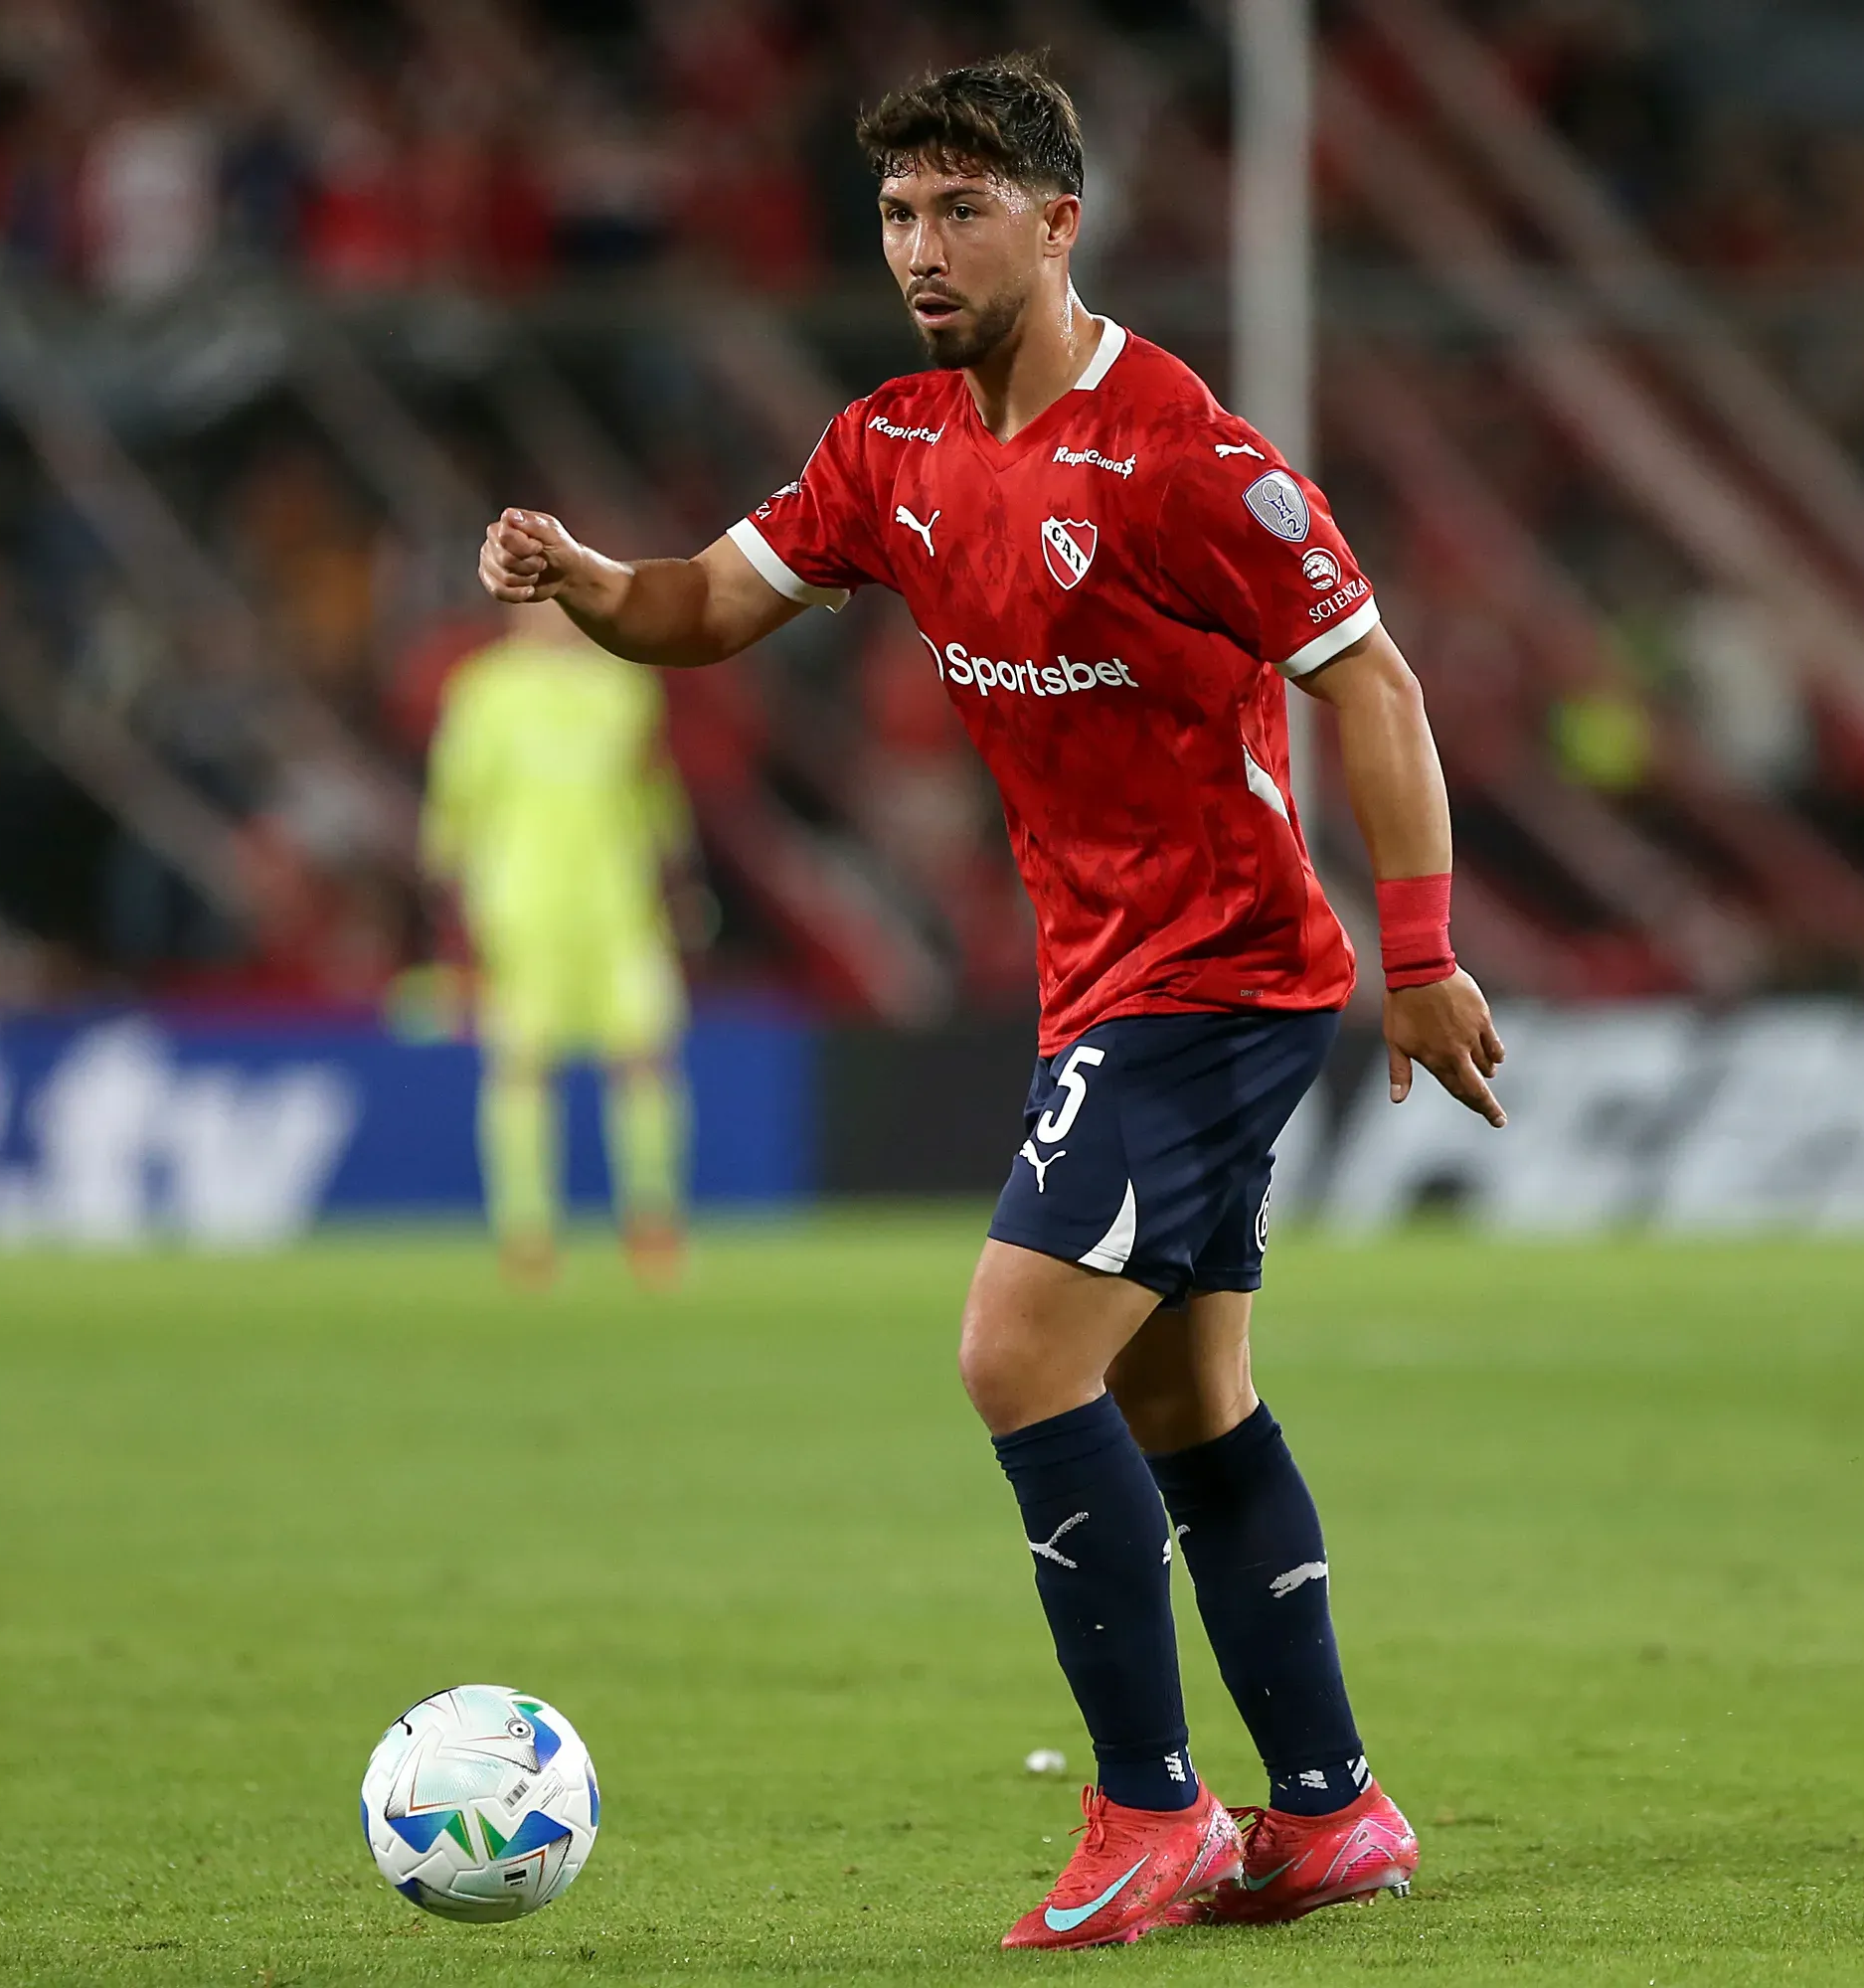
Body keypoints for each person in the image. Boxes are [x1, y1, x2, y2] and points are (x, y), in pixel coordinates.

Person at [475, 54, 1507, 1950]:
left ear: (1059, 220)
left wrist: (1426, 958)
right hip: (1105, 977)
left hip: (1215, 979)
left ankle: (1149, 1811)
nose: (922, 249)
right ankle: (1332, 1810)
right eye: (896, 215)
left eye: (961, 210)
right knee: (1187, 1399)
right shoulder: (894, 450)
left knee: (1013, 1356)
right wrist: (582, 579)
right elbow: (706, 605)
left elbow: (1375, 685)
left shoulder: (1186, 455)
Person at [421, 603, 695, 1289]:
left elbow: (652, 795)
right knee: (521, 1064)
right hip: (520, 910)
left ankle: (652, 1224)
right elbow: (455, 805)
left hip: (618, 908)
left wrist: (675, 880)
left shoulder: (625, 687)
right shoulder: (483, 690)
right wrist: (450, 914)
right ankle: (528, 1233)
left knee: (644, 1058)